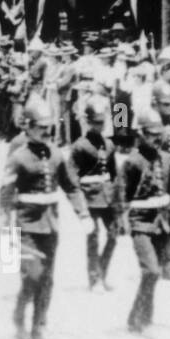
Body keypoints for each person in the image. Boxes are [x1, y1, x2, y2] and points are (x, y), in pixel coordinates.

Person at [2, 98, 91, 339]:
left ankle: (39, 325)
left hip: (50, 224)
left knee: (48, 278)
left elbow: (70, 187)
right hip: (27, 224)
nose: (46, 130)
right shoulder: (18, 157)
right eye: (40, 126)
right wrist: (4, 224)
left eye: (48, 126)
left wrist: (82, 213)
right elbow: (6, 192)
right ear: (28, 126)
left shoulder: (55, 154)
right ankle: (19, 319)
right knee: (32, 275)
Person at [118, 110, 170, 336]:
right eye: (151, 134)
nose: (156, 138)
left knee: (155, 272)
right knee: (151, 270)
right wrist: (123, 223)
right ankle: (137, 320)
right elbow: (122, 196)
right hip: (140, 223)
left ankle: (143, 316)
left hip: (160, 222)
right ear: (141, 134)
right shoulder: (132, 162)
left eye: (158, 134)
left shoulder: (164, 159)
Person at [71, 95, 119, 291]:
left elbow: (115, 175)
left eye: (102, 123)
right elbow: (72, 179)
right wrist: (80, 208)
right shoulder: (79, 146)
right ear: (88, 122)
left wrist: (119, 199)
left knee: (114, 235)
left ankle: (102, 272)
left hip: (108, 198)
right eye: (95, 123)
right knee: (93, 237)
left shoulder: (109, 145)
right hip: (90, 198)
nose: (99, 127)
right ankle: (94, 278)